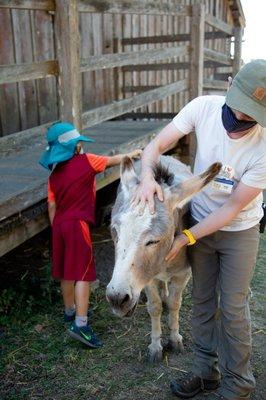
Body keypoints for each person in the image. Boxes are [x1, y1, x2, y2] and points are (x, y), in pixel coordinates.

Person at [132, 59, 266, 399]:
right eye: (240, 109)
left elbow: (234, 207)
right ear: (231, 86)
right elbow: (155, 147)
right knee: (203, 300)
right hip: (199, 217)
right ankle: (205, 372)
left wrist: (186, 237)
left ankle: (239, 384)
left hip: (239, 231)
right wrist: (147, 176)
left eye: (253, 115)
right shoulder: (202, 108)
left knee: (233, 306)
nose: (241, 121)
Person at [39, 121, 141, 348]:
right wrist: (132, 154)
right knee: (83, 274)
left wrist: (57, 228)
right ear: (75, 147)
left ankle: (69, 312)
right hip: (77, 226)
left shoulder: (53, 177)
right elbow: (114, 161)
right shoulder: (87, 161)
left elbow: (52, 207)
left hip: (60, 227)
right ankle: (81, 325)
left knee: (67, 272)